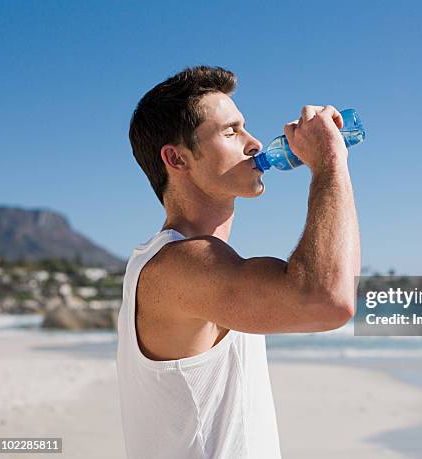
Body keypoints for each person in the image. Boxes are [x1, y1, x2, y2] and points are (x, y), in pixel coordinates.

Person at [115, 65, 361, 459]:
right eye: (231, 132)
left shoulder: (194, 265)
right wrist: (330, 161)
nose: (255, 144)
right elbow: (328, 299)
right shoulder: (179, 266)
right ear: (176, 159)